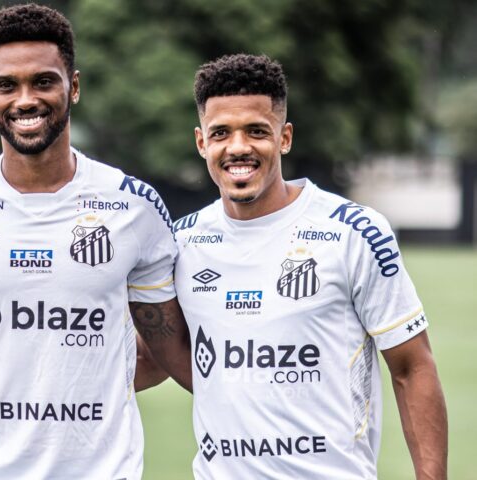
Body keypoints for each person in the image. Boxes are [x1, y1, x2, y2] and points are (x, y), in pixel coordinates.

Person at [0, 4, 190, 478]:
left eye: (43, 81)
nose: (25, 99)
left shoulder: (135, 207)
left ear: (74, 85)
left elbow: (169, 353)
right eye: (6, 85)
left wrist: (77, 385)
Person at [172, 53, 447, 478]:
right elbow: (154, 351)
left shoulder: (356, 231)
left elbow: (413, 368)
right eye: (221, 133)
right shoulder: (183, 242)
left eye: (257, 131)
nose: (239, 147)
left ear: (285, 138)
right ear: (201, 142)